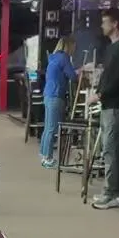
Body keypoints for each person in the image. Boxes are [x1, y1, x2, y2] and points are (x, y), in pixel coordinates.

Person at [87, 9, 119, 210]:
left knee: (111, 150)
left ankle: (111, 193)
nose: (102, 25)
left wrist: (99, 94)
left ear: (115, 24)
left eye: (105, 22)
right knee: (111, 149)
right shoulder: (113, 48)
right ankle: (118, 192)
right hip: (111, 105)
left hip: (116, 106)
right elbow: (109, 77)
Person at [39, 36, 78, 168]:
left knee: (47, 128)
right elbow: (73, 76)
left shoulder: (54, 58)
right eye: (74, 46)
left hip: (48, 94)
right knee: (52, 128)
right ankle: (48, 159)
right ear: (68, 46)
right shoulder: (64, 58)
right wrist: (81, 71)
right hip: (56, 95)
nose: (75, 49)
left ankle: (44, 155)